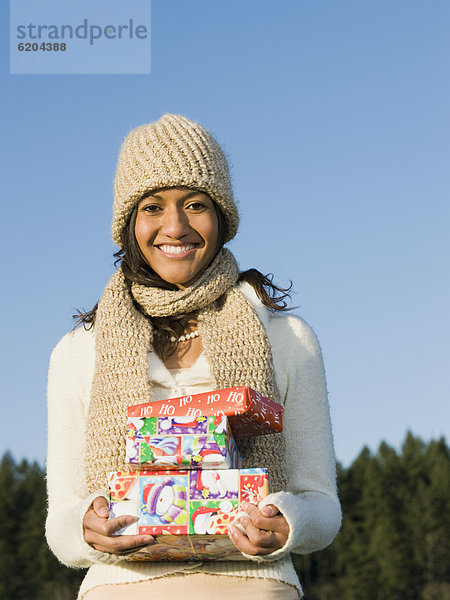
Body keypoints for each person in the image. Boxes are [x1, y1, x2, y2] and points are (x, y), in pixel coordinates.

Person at [46, 114, 341, 600]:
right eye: (153, 207)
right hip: (120, 588)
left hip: (252, 586)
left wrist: (288, 523)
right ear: (128, 223)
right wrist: (84, 526)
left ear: (222, 217)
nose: (175, 226)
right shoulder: (79, 352)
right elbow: (61, 520)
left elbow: (322, 507)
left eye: (196, 205)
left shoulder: (288, 339)